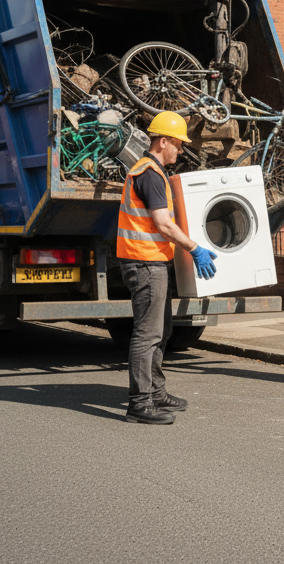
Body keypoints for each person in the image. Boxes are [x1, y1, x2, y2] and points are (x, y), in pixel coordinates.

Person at [116, 111, 218, 425]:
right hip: (144, 263)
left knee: (163, 330)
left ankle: (156, 392)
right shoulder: (149, 172)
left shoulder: (153, 171)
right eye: (177, 143)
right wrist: (195, 248)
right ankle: (140, 403)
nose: (181, 150)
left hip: (152, 262)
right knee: (147, 334)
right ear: (163, 142)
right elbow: (162, 224)